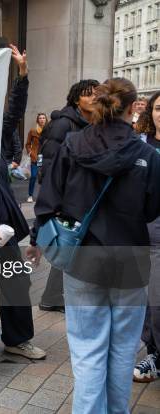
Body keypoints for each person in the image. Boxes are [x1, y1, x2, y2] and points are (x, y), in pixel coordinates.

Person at [28, 78, 160, 413]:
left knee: (88, 352)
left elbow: (48, 199)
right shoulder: (147, 154)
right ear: (133, 108)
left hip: (83, 259)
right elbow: (150, 209)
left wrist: (37, 241)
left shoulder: (73, 145)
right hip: (131, 258)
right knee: (122, 352)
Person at [0, 44, 46, 361]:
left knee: (14, 280)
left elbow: (13, 111)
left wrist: (22, 75)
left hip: (1, 222)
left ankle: (17, 339)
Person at [36, 79, 100, 313]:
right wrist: (55, 200)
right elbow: (50, 165)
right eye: (87, 94)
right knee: (68, 244)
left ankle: (53, 296)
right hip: (66, 197)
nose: (93, 98)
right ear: (76, 99)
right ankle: (54, 296)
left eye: (97, 94)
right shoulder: (64, 124)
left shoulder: (92, 124)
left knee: (71, 246)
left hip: (83, 197)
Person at [133, 91, 160, 382]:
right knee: (153, 296)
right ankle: (154, 353)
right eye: (158, 108)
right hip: (150, 229)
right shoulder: (140, 146)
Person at [25, 113, 46, 202]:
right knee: (33, 176)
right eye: (40, 118)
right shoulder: (33, 131)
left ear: (46, 120)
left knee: (44, 177)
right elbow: (27, 144)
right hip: (36, 156)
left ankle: (44, 197)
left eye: (43, 118)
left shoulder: (49, 130)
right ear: (37, 120)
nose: (42, 119)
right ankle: (30, 195)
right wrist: (30, 152)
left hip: (45, 156)